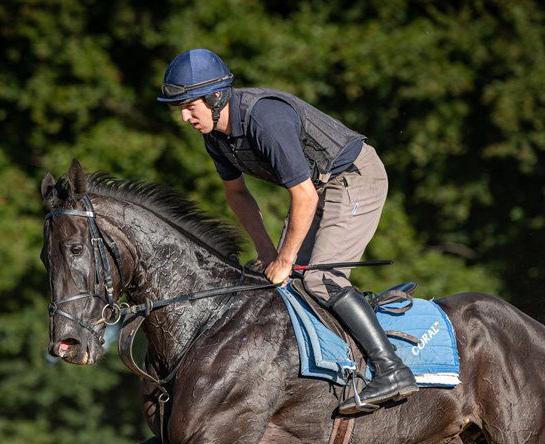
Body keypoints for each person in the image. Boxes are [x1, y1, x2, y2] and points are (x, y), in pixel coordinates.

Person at [157, 49, 417, 414]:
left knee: (322, 281)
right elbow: (237, 194)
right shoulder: (216, 136)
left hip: (355, 180)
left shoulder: (265, 118)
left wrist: (286, 258)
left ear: (215, 97)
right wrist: (267, 253)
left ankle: (392, 371)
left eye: (189, 106)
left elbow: (304, 195)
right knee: (282, 284)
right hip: (316, 190)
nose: (184, 116)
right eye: (179, 108)